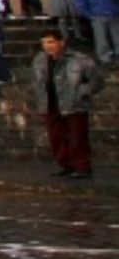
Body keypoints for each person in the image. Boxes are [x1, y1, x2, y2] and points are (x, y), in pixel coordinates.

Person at [34, 30, 101, 178]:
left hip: (74, 103)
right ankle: (66, 165)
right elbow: (39, 82)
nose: (47, 46)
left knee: (78, 137)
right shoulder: (40, 59)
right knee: (56, 137)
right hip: (50, 103)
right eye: (44, 43)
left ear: (61, 42)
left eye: (50, 42)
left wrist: (82, 91)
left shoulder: (79, 59)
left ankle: (82, 167)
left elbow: (96, 81)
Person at [73, 0, 119, 65]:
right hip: (98, 17)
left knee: (117, 37)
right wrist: (91, 15)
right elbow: (80, 6)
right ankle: (105, 58)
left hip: (114, 16)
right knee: (102, 38)